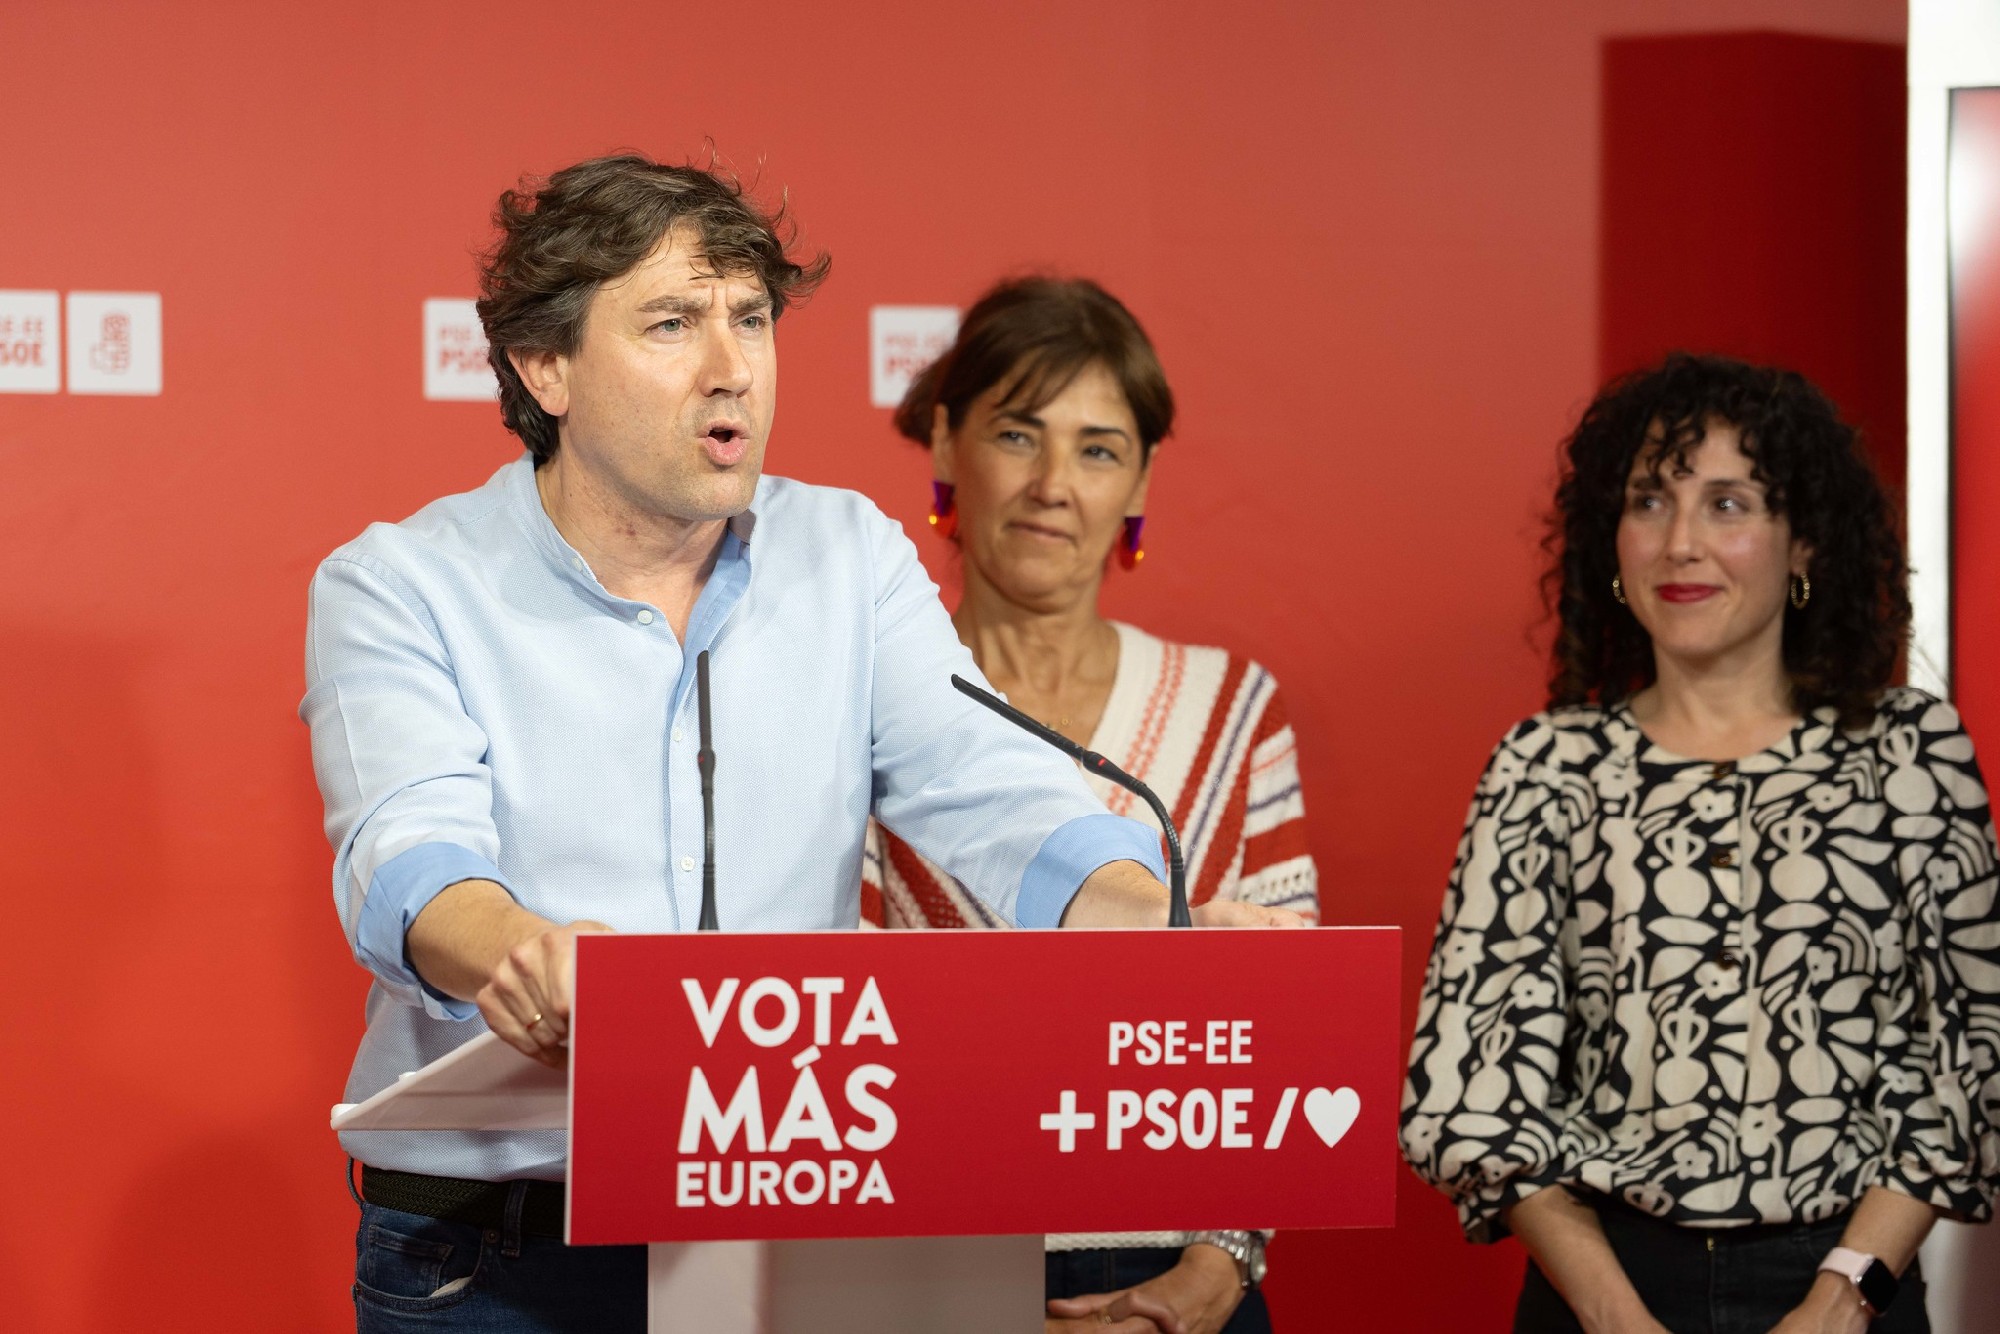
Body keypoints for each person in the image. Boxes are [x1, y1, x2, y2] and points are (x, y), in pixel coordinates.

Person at [301, 156, 1303, 1333]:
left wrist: (1151, 924)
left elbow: (988, 786)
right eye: (671, 323)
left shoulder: (847, 554)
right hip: (503, 1253)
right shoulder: (402, 582)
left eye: (752, 320)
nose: (731, 368)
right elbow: (407, 854)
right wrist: (516, 949)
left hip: (785, 1229)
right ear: (546, 364)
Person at [1399, 352, 2000, 1334]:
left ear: (1801, 542)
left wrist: (1841, 1296)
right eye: (1648, 500)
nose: (1679, 542)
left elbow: (1965, 1063)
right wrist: (1612, 1313)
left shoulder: (1907, 752)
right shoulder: (1544, 764)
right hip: (1598, 1283)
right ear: (1610, 536)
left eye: (1727, 504)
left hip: (1847, 1278)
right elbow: (1470, 1090)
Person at [861, 276, 1320, 1334]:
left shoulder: (1231, 708)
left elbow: (1282, 1032)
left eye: (1099, 447)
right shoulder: (864, 713)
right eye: (1017, 434)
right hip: (925, 1265)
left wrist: (1209, 1272)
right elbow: (849, 1022)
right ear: (943, 444)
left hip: (1188, 1278)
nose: (1053, 483)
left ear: (1143, 477)